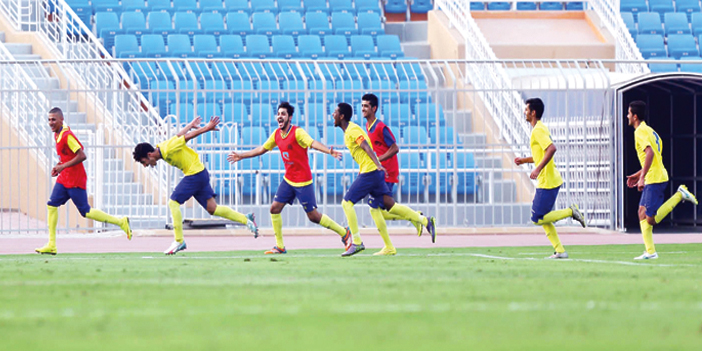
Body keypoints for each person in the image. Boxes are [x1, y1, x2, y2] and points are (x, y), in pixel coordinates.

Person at [227, 102, 351, 254]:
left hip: (303, 181)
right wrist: (241, 155)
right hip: (289, 180)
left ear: (290, 117)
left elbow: (312, 143)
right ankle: (280, 246)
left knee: (313, 216)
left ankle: (344, 232)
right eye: (278, 114)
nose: (280, 116)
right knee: (274, 208)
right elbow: (261, 149)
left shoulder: (298, 133)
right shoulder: (276, 135)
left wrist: (328, 151)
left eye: (283, 114)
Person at [133, 116, 258, 255]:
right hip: (201, 172)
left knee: (173, 202)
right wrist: (190, 124)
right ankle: (245, 219)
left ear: (149, 154)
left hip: (195, 174)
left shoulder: (166, 149)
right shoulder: (162, 147)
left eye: (144, 162)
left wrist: (207, 128)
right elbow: (179, 136)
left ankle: (179, 240)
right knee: (212, 208)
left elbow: (186, 138)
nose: (145, 166)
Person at [332, 102, 437, 257]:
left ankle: (357, 242)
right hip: (372, 172)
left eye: (335, 112)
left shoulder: (352, 130)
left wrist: (377, 164)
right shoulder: (349, 131)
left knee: (346, 203)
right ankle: (423, 221)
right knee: (388, 206)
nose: (332, 115)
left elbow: (366, 146)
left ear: (341, 116)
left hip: (371, 172)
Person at [36, 107, 132, 255]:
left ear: (61, 120)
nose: (50, 122)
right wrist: (59, 166)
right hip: (64, 178)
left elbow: (82, 155)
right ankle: (51, 244)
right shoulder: (58, 134)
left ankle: (120, 222)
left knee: (85, 211)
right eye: (49, 119)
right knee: (51, 205)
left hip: (75, 179)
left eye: (53, 119)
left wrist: (63, 166)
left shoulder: (67, 135)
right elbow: (66, 155)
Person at [514, 98, 586, 259]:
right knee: (544, 218)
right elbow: (542, 154)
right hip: (549, 179)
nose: (524, 112)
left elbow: (552, 149)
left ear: (533, 113)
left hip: (547, 181)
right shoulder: (540, 128)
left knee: (537, 218)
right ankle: (560, 250)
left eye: (526, 110)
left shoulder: (538, 130)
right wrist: (524, 160)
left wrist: (538, 169)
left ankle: (570, 211)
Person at [625, 100, 697, 260]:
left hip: (655, 179)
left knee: (650, 219)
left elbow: (649, 153)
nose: (627, 116)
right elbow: (653, 157)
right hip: (653, 176)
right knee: (641, 213)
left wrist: (642, 177)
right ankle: (650, 252)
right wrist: (639, 174)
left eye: (629, 113)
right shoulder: (651, 131)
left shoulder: (640, 132)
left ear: (635, 116)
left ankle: (680, 195)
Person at [360, 94, 427, 240]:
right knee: (380, 209)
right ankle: (414, 217)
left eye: (366, 106)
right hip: (379, 172)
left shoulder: (381, 127)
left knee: (376, 208)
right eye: (362, 106)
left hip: (387, 171)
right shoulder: (368, 126)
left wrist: (379, 160)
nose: (363, 109)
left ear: (374, 108)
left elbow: (395, 148)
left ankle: (416, 220)